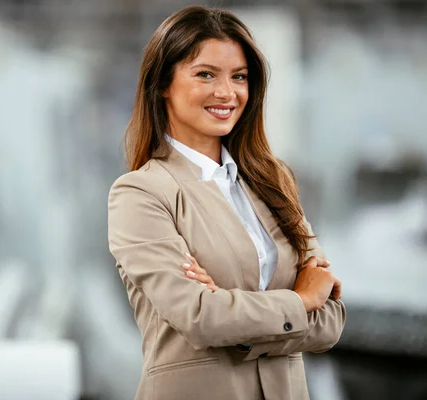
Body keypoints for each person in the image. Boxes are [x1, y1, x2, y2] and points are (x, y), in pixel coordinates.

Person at [107, 5, 346, 400]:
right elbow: (201, 318)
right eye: (205, 74)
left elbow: (332, 320)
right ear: (163, 82)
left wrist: (233, 315)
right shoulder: (140, 194)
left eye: (239, 77)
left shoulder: (274, 182)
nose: (227, 93)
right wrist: (300, 300)